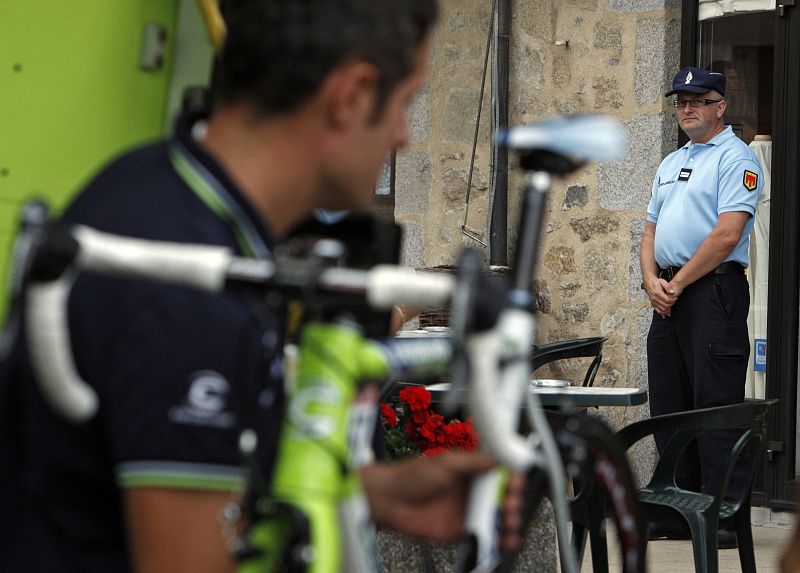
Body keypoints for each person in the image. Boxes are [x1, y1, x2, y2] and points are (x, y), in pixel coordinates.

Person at [0, 2, 524, 572]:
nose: (401, 136)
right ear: (351, 96)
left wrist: (373, 493)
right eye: (403, 105)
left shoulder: (162, 189)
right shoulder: (185, 292)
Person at [640, 66, 764, 549]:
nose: (687, 107)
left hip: (713, 292)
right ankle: (676, 511)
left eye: (698, 99)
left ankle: (724, 516)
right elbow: (650, 228)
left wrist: (678, 283)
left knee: (715, 404)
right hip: (668, 294)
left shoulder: (736, 158)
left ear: (720, 106)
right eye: (680, 101)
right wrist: (652, 280)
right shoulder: (672, 162)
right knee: (670, 403)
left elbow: (727, 233)